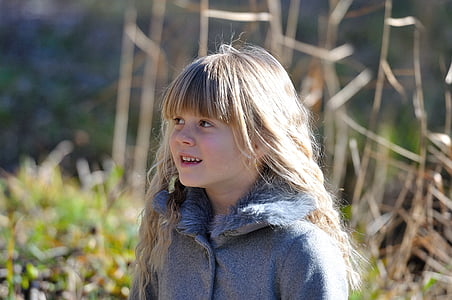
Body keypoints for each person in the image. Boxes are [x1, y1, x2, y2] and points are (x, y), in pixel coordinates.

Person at [130, 44, 361, 299]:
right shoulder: (167, 237)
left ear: (259, 140)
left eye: (205, 123)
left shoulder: (300, 250)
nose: (182, 137)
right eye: (178, 121)